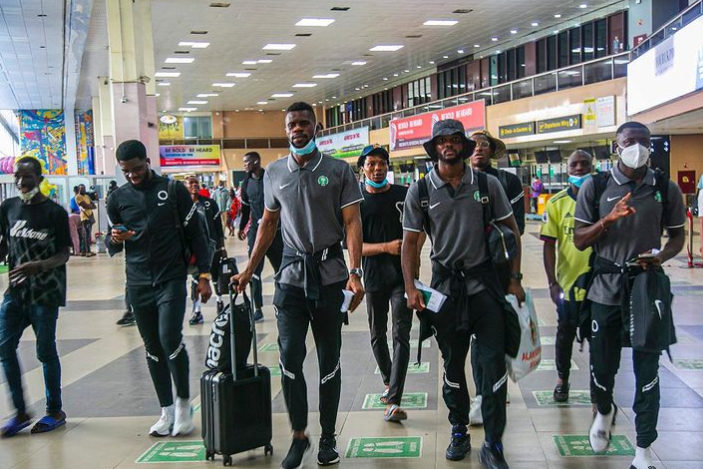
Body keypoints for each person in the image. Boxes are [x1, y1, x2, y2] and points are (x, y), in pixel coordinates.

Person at [232, 102, 365, 469]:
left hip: (331, 278)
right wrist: (248, 270)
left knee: (329, 360)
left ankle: (327, 437)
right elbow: (267, 225)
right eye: (293, 123)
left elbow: (352, 223)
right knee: (289, 357)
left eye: (305, 123)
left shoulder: (338, 170)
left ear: (316, 127)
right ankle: (298, 436)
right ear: (286, 128)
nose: (298, 128)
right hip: (290, 279)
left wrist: (355, 273)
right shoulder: (274, 172)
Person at [402, 119, 524, 469]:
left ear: (464, 147)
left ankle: (494, 444)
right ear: (435, 147)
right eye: (443, 140)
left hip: (485, 288)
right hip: (445, 290)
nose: (450, 145)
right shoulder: (420, 190)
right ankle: (459, 430)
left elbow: (511, 231)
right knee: (453, 366)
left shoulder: (487, 185)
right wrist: (411, 287)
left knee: (492, 366)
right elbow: (410, 243)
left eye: (456, 140)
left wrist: (513, 278)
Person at [574, 122, 686, 469]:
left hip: (646, 289)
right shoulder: (597, 185)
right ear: (616, 146)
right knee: (602, 366)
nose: (637, 146)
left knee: (647, 369)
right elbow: (580, 240)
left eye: (643, 141)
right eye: (629, 141)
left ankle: (642, 451)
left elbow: (677, 237)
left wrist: (661, 257)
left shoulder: (664, 188)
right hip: (605, 288)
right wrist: (608, 219)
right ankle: (604, 409)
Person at [107, 140, 213, 437]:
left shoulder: (173, 190)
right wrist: (116, 239)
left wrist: (204, 275)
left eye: (137, 169)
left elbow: (197, 235)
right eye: (127, 171)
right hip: (138, 281)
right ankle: (166, 409)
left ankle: (182, 403)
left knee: (169, 337)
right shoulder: (117, 198)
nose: (133, 176)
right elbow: (110, 244)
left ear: (147, 161)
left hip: (171, 277)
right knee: (152, 347)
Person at [0, 156, 71, 437]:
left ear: (40, 180)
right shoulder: (8, 207)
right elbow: (4, 244)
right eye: (17, 177)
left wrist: (38, 266)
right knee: (4, 348)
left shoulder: (54, 212)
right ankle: (20, 412)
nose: (20, 182)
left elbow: (65, 253)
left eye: (27, 178)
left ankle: (55, 411)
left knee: (45, 352)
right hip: (15, 293)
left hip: (46, 293)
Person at [468, 130, 525, 425]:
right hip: (471, 272)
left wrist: (515, 277)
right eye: (473, 144)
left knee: (502, 332)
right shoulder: (459, 181)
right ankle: (482, 394)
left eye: (484, 144)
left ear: (492, 150)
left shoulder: (508, 182)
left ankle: (496, 384)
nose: (478, 149)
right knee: (479, 336)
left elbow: (517, 230)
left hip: (500, 269)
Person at [358, 145, 415, 422]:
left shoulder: (404, 195)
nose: (377, 168)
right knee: (377, 334)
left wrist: (410, 252)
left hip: (402, 278)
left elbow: (419, 231)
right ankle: (388, 381)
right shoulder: (356, 200)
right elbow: (353, 246)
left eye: (382, 163)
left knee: (400, 334)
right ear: (363, 169)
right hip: (373, 278)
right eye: (371, 164)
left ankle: (393, 400)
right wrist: (386, 247)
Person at [540, 150, 593, 402]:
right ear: (567, 168)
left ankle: (600, 387)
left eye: (585, 163)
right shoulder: (556, 203)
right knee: (565, 334)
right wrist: (552, 282)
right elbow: (548, 245)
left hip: (599, 284)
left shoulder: (601, 201)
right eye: (575, 164)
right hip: (568, 284)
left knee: (601, 338)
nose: (580, 168)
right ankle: (562, 379)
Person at [238, 151, 284, 322]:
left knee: (281, 269)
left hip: (275, 232)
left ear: (256, 161)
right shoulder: (246, 183)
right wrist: (242, 227)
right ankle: (257, 308)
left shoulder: (271, 178)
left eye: (246, 162)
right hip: (255, 233)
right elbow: (245, 210)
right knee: (254, 271)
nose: (244, 165)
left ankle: (283, 302)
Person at [184, 175, 226, 324]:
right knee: (196, 279)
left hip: (211, 247)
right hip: (193, 250)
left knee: (214, 275)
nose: (194, 185)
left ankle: (220, 302)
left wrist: (222, 247)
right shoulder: (183, 205)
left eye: (196, 182)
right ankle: (197, 311)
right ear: (186, 186)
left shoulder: (209, 203)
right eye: (191, 183)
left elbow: (218, 227)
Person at [75, 184, 96, 257]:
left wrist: (89, 206)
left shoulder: (87, 196)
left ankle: (84, 251)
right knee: (86, 235)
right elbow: (85, 205)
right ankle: (88, 252)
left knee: (87, 234)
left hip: (90, 216)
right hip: (84, 217)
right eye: (80, 189)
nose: (82, 190)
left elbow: (94, 206)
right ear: (79, 189)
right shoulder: (78, 197)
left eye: (83, 188)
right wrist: (89, 206)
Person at [68, 186, 82, 255]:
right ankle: (78, 251)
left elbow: (72, 209)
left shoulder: (72, 199)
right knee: (77, 235)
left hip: (72, 217)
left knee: (73, 235)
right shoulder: (81, 198)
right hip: (77, 217)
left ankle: (75, 250)